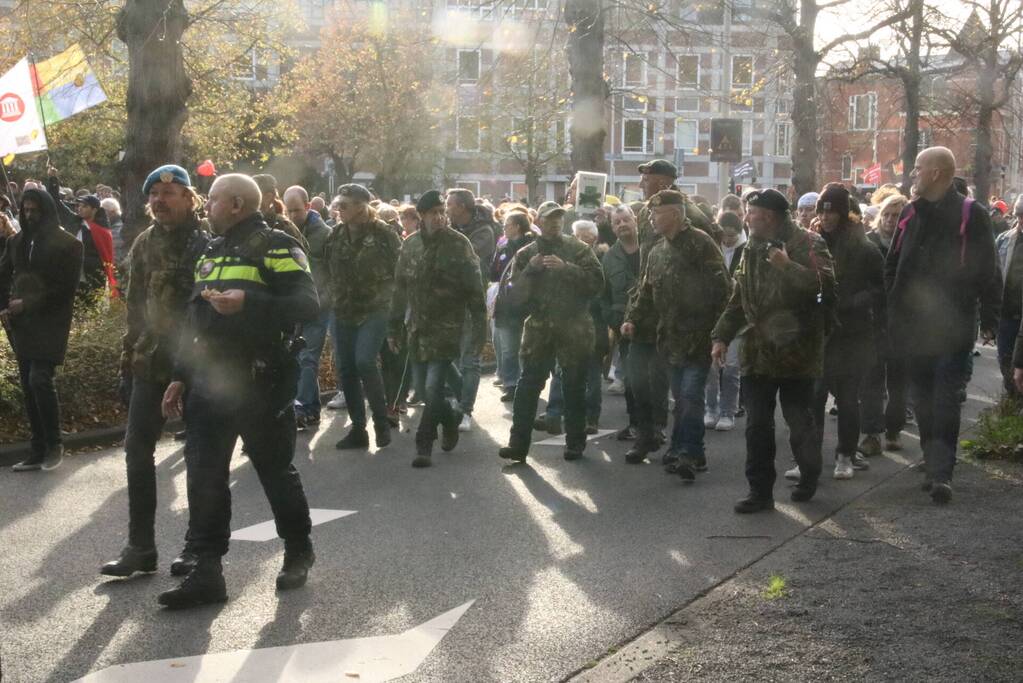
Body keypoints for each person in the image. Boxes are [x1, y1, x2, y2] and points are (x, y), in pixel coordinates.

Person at [158, 173, 317, 608]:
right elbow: (194, 322)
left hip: (261, 381)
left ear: (235, 204)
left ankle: (298, 550)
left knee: (274, 470)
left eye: (211, 200)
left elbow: (308, 304)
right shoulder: (211, 251)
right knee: (205, 475)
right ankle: (206, 570)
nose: (205, 206)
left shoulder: (277, 246)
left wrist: (249, 303)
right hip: (209, 383)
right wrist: (180, 375)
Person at [100, 165, 210, 578]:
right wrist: (127, 362)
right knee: (136, 449)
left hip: (197, 363)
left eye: (169, 193)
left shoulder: (207, 242)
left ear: (189, 198)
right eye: (154, 195)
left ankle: (197, 548)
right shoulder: (145, 242)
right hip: (152, 361)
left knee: (201, 455)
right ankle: (140, 547)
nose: (160, 201)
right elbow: (135, 307)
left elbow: (208, 310)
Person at [711, 189, 836, 513]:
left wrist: (787, 266)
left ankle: (809, 474)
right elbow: (739, 298)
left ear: (767, 217)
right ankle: (759, 491)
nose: (746, 218)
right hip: (758, 352)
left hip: (797, 352)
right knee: (757, 425)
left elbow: (825, 287)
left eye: (750, 213)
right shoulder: (752, 247)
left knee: (799, 421)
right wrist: (721, 336)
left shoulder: (807, 242)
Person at [889, 147, 999, 504]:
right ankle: (931, 458)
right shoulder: (910, 211)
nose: (913, 175)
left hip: (953, 327)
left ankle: (941, 473)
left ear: (936, 173)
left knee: (945, 399)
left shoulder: (972, 213)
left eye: (918, 168)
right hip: (913, 328)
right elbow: (894, 265)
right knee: (922, 399)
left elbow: (988, 270)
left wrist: (988, 317)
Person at [623, 190, 730, 478]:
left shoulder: (701, 243)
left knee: (691, 395)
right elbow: (646, 292)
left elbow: (723, 289)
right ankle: (683, 448)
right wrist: (633, 319)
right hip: (669, 339)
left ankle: (689, 453)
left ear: (675, 214)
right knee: (681, 398)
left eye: (657, 213)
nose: (651, 218)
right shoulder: (657, 251)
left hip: (698, 337)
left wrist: (720, 334)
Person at [499, 201, 604, 463]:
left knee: (574, 386)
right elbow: (513, 296)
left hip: (574, 326)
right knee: (528, 386)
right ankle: (517, 445)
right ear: (540, 222)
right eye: (550, 218)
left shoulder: (578, 249)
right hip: (539, 328)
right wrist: (530, 271)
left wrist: (567, 269)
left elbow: (597, 284)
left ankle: (575, 443)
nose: (556, 222)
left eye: (559, 218)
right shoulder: (526, 254)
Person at [389, 190, 485, 468]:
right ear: (421, 216)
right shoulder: (411, 245)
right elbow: (399, 289)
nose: (440, 217)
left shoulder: (459, 244)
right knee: (421, 387)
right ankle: (451, 418)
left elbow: (475, 289)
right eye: (434, 213)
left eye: (443, 212)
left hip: (448, 327)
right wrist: (393, 327)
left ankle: (424, 443)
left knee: (432, 387)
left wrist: (480, 330)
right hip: (418, 328)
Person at [1, 188, 83, 472]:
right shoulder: (16, 241)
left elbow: (66, 288)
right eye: (26, 211)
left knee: (39, 379)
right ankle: (37, 450)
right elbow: (2, 275)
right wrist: (3, 306)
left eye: (35, 210)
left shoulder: (69, 244)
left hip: (51, 322)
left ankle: (54, 444)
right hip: (22, 324)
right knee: (27, 384)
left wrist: (28, 302)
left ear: (46, 210)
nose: (29, 215)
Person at [806, 184, 884, 481]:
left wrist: (850, 302)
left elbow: (879, 290)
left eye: (832, 212)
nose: (825, 217)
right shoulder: (811, 243)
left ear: (843, 212)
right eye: (822, 212)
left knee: (848, 399)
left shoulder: (863, 248)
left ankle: (845, 454)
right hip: (820, 334)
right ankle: (809, 458)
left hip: (852, 334)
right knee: (814, 397)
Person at [328, 183, 402, 450]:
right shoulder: (337, 234)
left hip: (376, 308)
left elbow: (401, 271)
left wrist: (398, 309)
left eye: (344, 205)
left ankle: (381, 422)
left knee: (364, 361)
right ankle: (358, 429)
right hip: (343, 309)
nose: (339, 210)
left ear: (361, 207)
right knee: (346, 368)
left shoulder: (384, 233)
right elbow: (327, 268)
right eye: (337, 205)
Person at [859, 193, 909, 456]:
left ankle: (893, 429)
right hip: (872, 321)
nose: (890, 220)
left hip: (902, 323)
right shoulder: (868, 242)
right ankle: (871, 434)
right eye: (887, 215)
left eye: (896, 216)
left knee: (899, 382)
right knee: (871, 381)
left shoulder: (910, 243)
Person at [446, 187, 498, 432]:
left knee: (470, 360)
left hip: (472, 302)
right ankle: (457, 400)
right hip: (449, 301)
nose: (446, 209)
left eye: (449, 204)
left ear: (462, 207)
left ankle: (465, 410)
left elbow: (464, 258)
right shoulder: (450, 228)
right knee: (449, 357)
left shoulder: (484, 232)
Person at [282, 185, 333, 428]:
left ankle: (302, 406)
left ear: (308, 206)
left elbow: (332, 273)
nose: (292, 216)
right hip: (297, 306)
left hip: (319, 305)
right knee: (301, 358)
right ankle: (311, 408)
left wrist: (325, 299)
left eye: (296, 210)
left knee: (308, 357)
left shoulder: (324, 234)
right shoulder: (286, 232)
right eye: (288, 211)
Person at [704, 211, 746, 432]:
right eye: (725, 235)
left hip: (737, 317)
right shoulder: (711, 248)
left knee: (731, 367)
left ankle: (728, 411)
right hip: (713, 315)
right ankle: (711, 408)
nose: (728, 240)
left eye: (732, 236)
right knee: (711, 367)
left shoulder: (746, 250)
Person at [601, 205, 641, 432]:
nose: (622, 225)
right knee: (631, 378)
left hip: (654, 323)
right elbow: (603, 293)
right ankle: (635, 423)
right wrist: (611, 316)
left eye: (626, 220)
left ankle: (656, 425)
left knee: (654, 377)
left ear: (635, 220)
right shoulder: (610, 257)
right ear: (613, 228)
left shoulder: (653, 248)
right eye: (617, 222)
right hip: (623, 326)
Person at [491, 211, 536, 402]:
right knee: (505, 347)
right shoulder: (503, 247)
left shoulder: (532, 248)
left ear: (517, 227)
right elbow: (493, 273)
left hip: (525, 304)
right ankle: (510, 383)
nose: (503, 228)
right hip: (505, 303)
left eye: (507, 225)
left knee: (522, 347)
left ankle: (523, 383)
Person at [995, 195, 1023, 396]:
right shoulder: (1004, 239)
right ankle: (1012, 397)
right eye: (1020, 215)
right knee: (1005, 360)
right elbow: (993, 274)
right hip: (1006, 313)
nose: (1021, 220)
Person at [252, 174, 308, 250]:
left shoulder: (284, 227)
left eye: (252, 195)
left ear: (268, 197)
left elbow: (300, 253)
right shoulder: (249, 223)